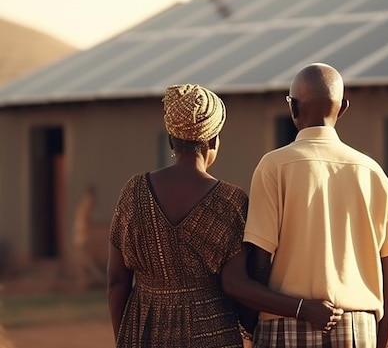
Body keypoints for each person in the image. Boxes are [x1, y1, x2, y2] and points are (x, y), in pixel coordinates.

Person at [108, 84, 342, 348]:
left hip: (143, 331)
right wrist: (300, 308)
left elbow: (117, 281)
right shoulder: (229, 202)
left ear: (171, 140)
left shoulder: (133, 192)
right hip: (212, 333)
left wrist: (125, 339)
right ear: (212, 140)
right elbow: (236, 285)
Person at [241, 63, 388, 348]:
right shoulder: (371, 172)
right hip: (357, 329)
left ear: (293, 108)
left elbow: (260, 263)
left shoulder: (274, 167)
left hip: (285, 324)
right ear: (343, 108)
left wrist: (251, 325)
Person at [72, 185, 106, 290]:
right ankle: (84, 282)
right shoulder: (85, 205)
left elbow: (85, 222)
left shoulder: (87, 205)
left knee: (86, 261)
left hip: (82, 237)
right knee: (82, 262)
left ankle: (100, 279)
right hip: (80, 236)